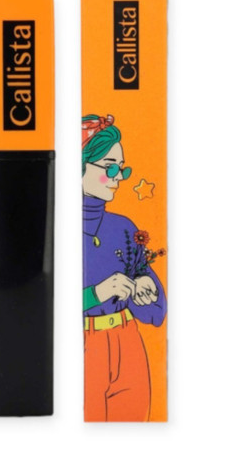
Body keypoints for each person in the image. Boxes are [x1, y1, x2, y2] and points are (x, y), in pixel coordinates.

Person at [82, 114, 167, 422]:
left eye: (123, 168)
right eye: (110, 168)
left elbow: (157, 312)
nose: (119, 177)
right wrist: (98, 293)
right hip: (83, 345)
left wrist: (146, 286)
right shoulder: (57, 228)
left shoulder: (124, 228)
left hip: (128, 341)